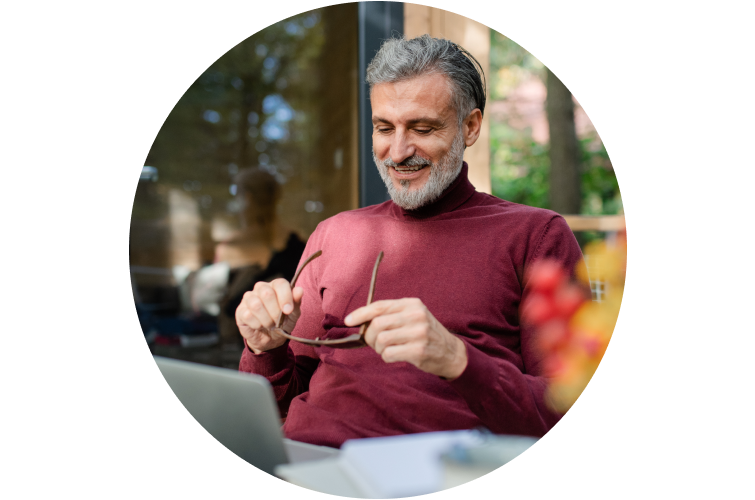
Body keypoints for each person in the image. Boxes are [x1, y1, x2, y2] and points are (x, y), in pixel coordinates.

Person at [235, 35, 584, 448]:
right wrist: (265, 350)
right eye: (384, 128)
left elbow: (563, 405)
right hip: (312, 462)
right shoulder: (335, 234)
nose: (398, 152)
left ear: (469, 127)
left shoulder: (535, 236)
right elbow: (275, 408)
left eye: (422, 128)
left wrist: (458, 360)